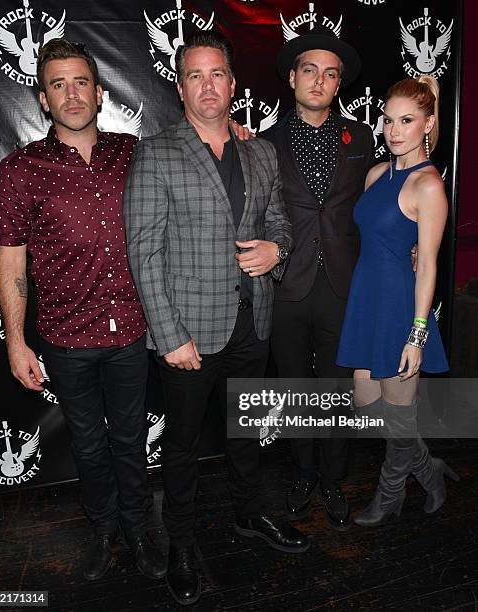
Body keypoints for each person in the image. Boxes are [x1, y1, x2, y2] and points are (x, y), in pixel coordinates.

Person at [123, 30, 308, 607]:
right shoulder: (156, 151)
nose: (208, 85)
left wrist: (278, 251)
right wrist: (170, 336)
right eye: (195, 75)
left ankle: (250, 515)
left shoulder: (260, 151)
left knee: (247, 433)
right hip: (189, 336)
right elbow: (142, 251)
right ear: (181, 88)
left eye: (217, 74)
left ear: (233, 83)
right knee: (181, 447)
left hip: (254, 324)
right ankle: (180, 544)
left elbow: (279, 222)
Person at [0, 39, 166, 582]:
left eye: (81, 82)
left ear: (99, 90)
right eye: (58, 84)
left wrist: (236, 132)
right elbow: (11, 257)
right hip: (67, 338)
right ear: (42, 99)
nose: (71, 94)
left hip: (135, 330)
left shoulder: (135, 154)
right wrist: (17, 341)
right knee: (89, 444)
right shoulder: (22, 168)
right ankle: (104, 529)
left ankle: (137, 528)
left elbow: (196, 169)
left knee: (131, 438)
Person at [336, 76, 459, 525]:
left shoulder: (429, 186)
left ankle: (390, 495)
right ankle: (430, 470)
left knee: (400, 417)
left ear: (428, 124)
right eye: (388, 120)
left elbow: (427, 264)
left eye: (406, 121)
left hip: (400, 310)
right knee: (368, 405)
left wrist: (417, 334)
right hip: (366, 301)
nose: (394, 129)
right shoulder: (376, 173)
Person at [267, 27, 373, 530]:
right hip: (286, 284)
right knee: (293, 390)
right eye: (310, 70)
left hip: (342, 284)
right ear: (292, 78)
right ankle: (304, 472)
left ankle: (333, 478)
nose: (319, 80)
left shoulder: (363, 138)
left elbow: (378, 200)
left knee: (337, 391)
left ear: (338, 85)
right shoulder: (264, 142)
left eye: (330, 74)